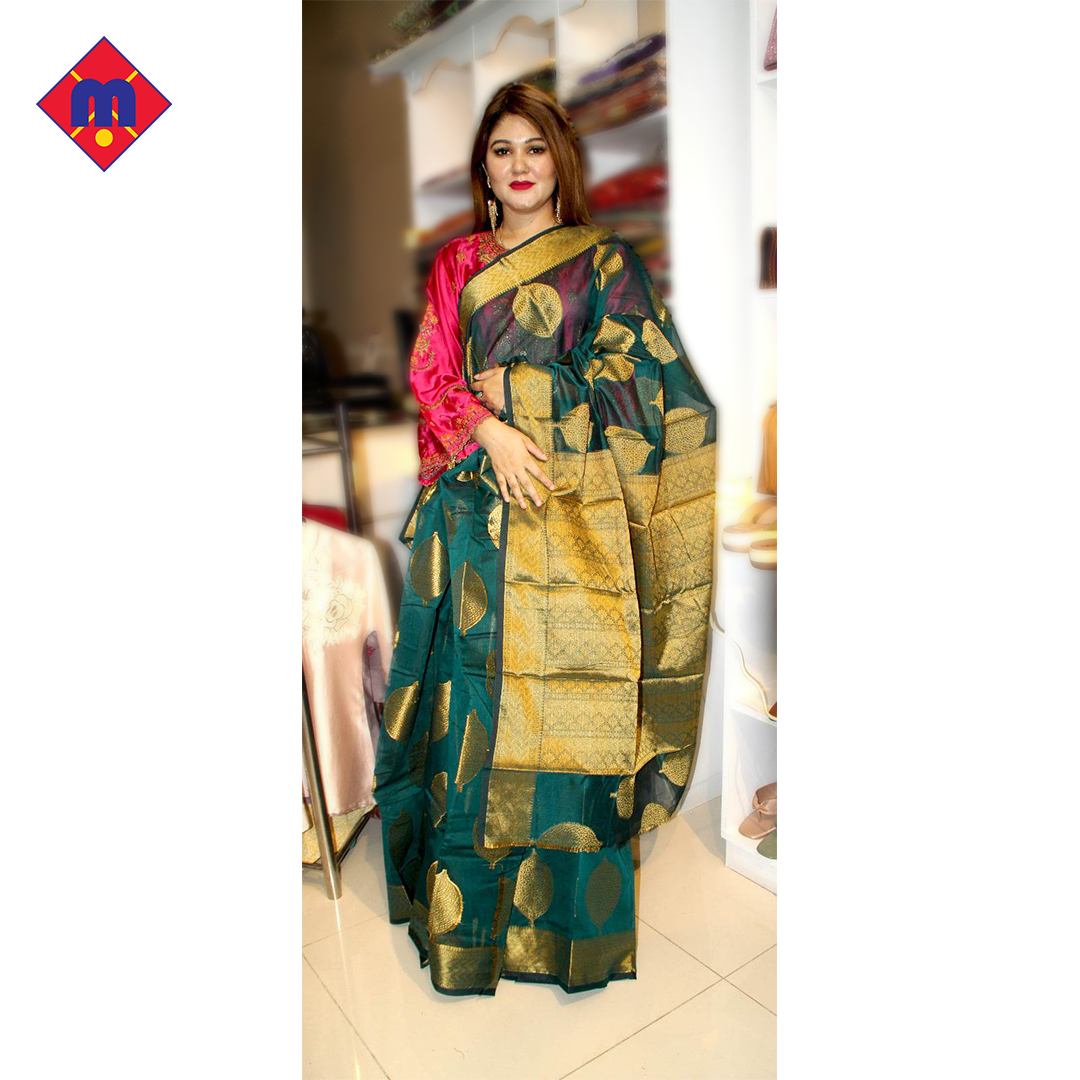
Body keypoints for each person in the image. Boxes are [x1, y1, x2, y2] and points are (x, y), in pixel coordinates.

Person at [373, 82, 717, 996]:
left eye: (534, 147)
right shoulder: (458, 263)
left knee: (571, 719)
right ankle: (469, 928)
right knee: (474, 719)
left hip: (573, 524)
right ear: (483, 171)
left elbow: (650, 387)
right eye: (501, 150)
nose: (519, 165)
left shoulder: (606, 264)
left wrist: (529, 390)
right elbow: (433, 372)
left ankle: (564, 934)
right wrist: (488, 427)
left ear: (559, 159)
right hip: (477, 522)